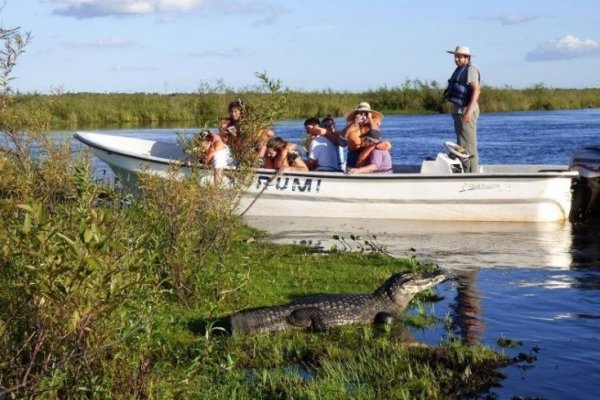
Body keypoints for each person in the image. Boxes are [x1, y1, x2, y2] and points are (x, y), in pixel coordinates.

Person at [444, 45, 481, 173]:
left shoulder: (471, 70)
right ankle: (465, 170)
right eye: (456, 57)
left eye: (459, 57)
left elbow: (476, 90)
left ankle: (473, 172)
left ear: (467, 58)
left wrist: (469, 111)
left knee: (469, 144)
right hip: (458, 111)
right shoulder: (459, 70)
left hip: (466, 111)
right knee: (461, 144)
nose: (456, 59)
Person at [340, 102, 383, 168]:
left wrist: (370, 118)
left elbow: (377, 133)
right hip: (353, 154)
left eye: (365, 113)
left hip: (367, 153)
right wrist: (354, 123)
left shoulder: (373, 123)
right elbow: (343, 136)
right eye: (361, 113)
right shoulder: (351, 124)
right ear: (356, 114)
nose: (363, 115)